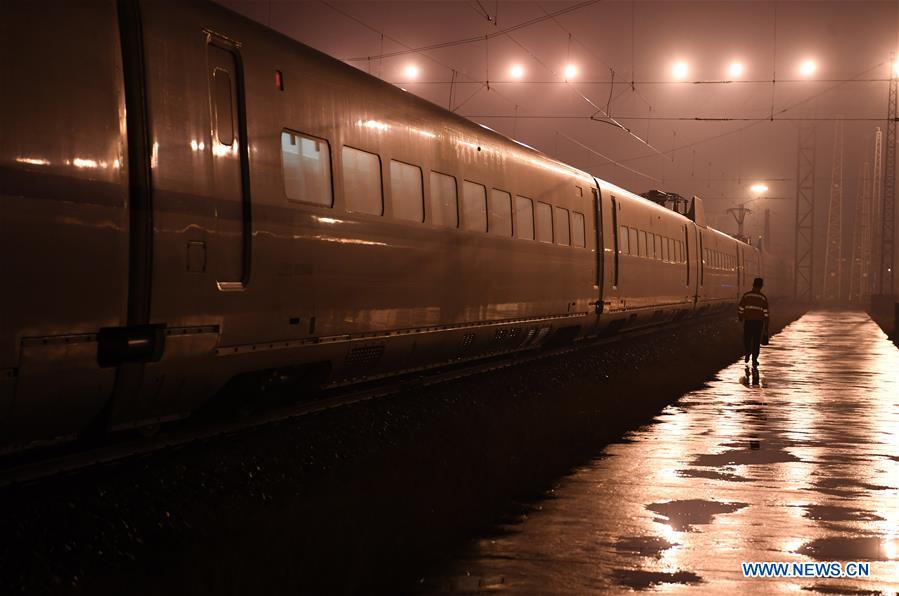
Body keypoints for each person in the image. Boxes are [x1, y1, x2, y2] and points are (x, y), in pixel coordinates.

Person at [738, 277, 769, 368]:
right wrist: (766, 326)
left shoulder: (746, 296)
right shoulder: (763, 298)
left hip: (748, 321)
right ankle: (754, 359)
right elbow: (766, 313)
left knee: (747, 339)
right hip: (759, 323)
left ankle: (747, 353)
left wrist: (741, 317)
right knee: (756, 341)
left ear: (753, 285)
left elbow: (740, 308)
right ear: (761, 286)